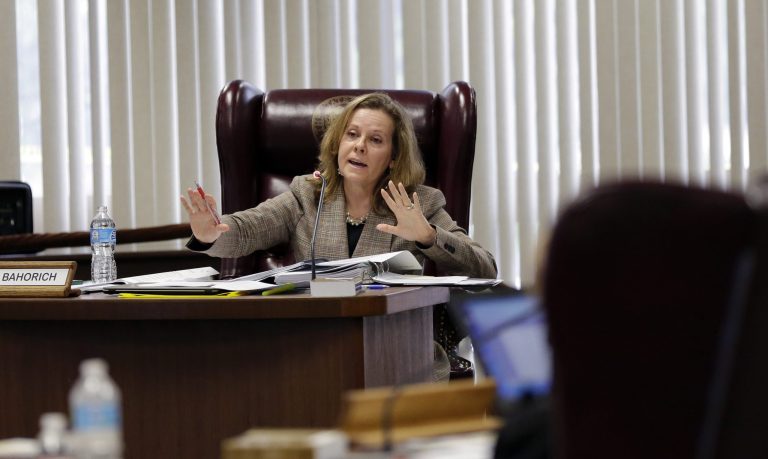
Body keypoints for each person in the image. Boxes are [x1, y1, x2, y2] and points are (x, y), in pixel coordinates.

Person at [181, 92, 497, 280]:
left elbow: (485, 268)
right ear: (338, 143)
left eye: (375, 140)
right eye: (352, 134)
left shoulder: (419, 203)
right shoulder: (307, 194)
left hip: (394, 342)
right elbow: (248, 229)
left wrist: (428, 236)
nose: (359, 146)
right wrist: (210, 233)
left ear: (393, 158)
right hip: (319, 337)